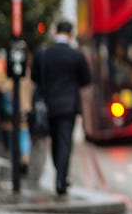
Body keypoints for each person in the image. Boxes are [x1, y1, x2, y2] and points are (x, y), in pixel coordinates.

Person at [31, 21, 91, 196]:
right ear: (71, 34)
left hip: (48, 105)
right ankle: (61, 179)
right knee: (65, 142)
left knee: (55, 142)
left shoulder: (43, 54)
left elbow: (35, 77)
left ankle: (60, 175)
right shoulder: (76, 55)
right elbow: (86, 80)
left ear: (55, 32)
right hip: (68, 106)